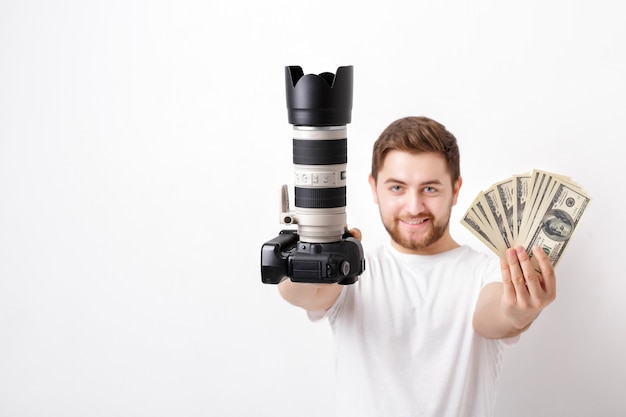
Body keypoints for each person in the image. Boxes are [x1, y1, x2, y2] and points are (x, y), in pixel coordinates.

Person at [277, 116, 557, 417]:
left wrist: (518, 312)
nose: (413, 207)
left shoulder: (487, 272)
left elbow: (494, 316)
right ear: (374, 188)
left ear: (455, 189)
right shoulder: (352, 272)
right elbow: (301, 292)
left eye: (430, 189)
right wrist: (315, 257)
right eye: (397, 188)